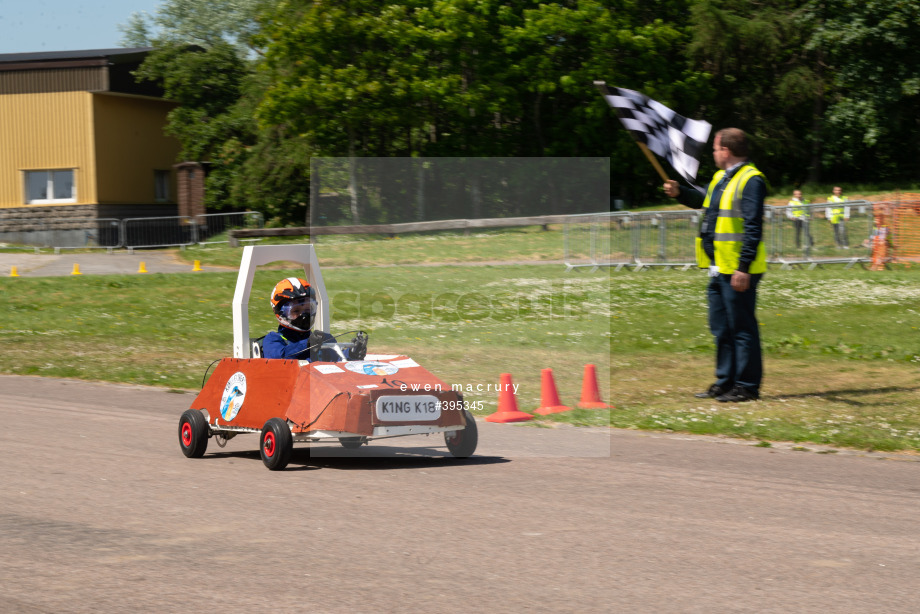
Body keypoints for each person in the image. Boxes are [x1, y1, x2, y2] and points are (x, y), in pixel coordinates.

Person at [663, 128, 766, 402]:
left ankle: (746, 386)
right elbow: (705, 203)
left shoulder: (751, 180)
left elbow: (753, 226)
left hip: (737, 269)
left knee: (742, 328)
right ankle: (725, 381)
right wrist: (679, 193)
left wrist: (743, 267)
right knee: (721, 327)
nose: (713, 153)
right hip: (718, 266)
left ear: (726, 151)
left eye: (715, 149)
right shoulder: (721, 177)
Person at [262, 277, 367, 361]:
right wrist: (307, 344)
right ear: (281, 314)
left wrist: (352, 354)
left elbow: (338, 360)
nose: (304, 315)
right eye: (296, 311)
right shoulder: (273, 339)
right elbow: (279, 359)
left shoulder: (323, 338)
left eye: (307, 309)